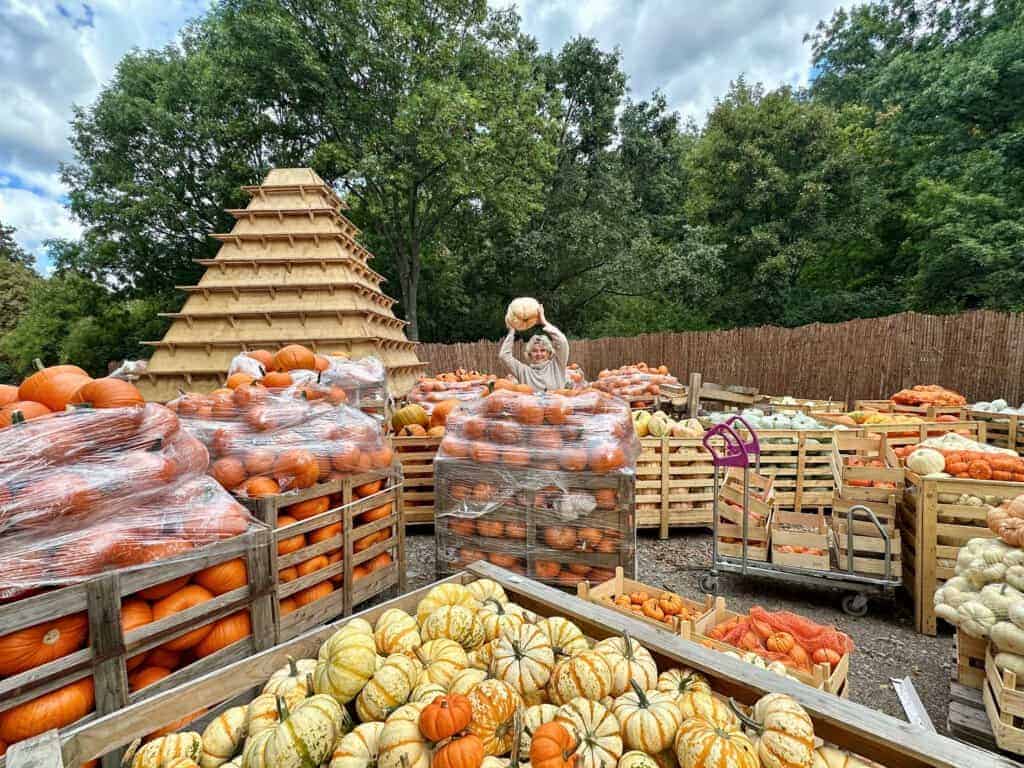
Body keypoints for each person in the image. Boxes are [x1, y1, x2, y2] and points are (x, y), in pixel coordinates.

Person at [499, 304, 570, 392]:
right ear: (529, 354)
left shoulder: (557, 366)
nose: (539, 354)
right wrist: (512, 331)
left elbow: (562, 342)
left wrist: (544, 322)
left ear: (549, 353)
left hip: (558, 405)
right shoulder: (523, 372)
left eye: (543, 350)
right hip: (532, 406)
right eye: (535, 351)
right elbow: (504, 356)